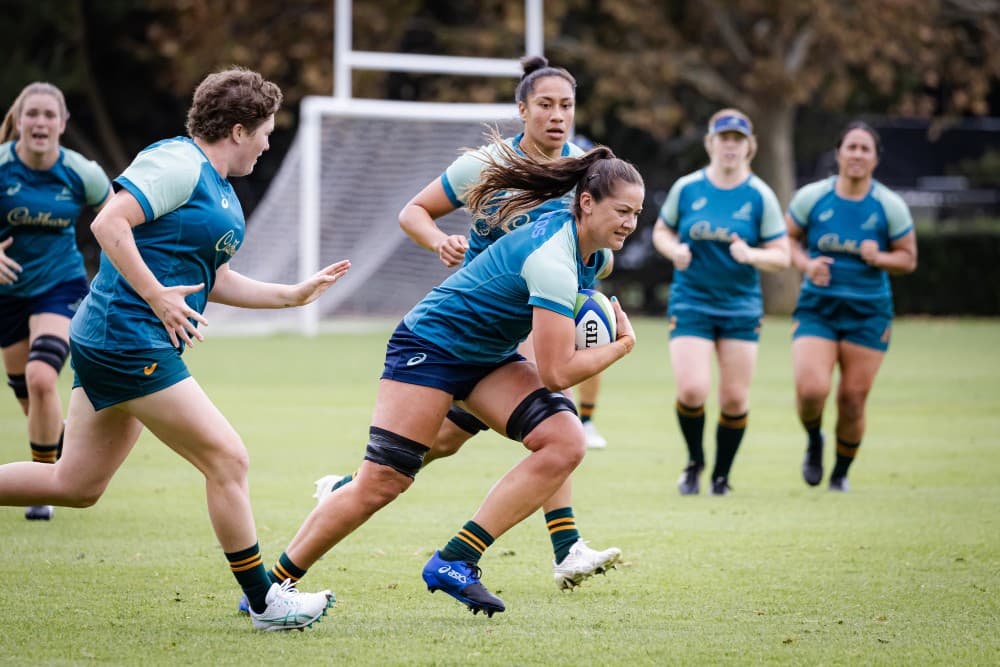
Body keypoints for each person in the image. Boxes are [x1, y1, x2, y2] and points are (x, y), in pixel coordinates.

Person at [0, 67, 348, 631]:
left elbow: (219, 279)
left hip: (118, 336)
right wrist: (157, 295)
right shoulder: (178, 162)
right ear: (238, 130)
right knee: (228, 458)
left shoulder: (219, 187)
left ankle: (265, 601)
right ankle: (266, 601)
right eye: (265, 131)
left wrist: (291, 295)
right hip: (125, 335)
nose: (267, 142)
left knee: (76, 485)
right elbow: (109, 224)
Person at [267, 139, 641, 618]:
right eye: (622, 211)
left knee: (564, 441)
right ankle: (270, 588)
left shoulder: (587, 251)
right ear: (586, 203)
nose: (630, 223)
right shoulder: (553, 261)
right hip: (431, 344)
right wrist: (620, 346)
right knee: (383, 481)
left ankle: (456, 559)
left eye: (637, 212)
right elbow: (555, 373)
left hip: (487, 356)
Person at [310, 56, 621, 593]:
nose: (557, 116)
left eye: (566, 105)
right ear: (522, 109)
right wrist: (439, 240)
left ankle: (565, 547)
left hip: (528, 316)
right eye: (544, 105)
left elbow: (590, 241)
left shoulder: (584, 175)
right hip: (472, 318)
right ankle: (349, 488)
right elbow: (414, 211)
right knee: (510, 424)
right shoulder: (487, 165)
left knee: (519, 427)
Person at [652, 109, 789, 496]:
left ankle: (721, 477)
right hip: (691, 301)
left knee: (733, 398)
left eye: (738, 139)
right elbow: (662, 230)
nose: (731, 145)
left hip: (740, 306)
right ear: (711, 143)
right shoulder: (688, 188)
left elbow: (782, 256)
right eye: (724, 138)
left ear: (750, 146)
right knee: (693, 390)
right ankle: (695, 462)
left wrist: (753, 255)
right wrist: (673, 249)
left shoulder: (760, 195)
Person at [0, 82, 112, 521]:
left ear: (62, 124)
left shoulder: (83, 172)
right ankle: (55, 441)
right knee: (28, 394)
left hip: (61, 285)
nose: (41, 123)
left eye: (50, 115)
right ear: (21, 120)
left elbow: (119, 221)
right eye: (33, 114)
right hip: (7, 294)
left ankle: (43, 483)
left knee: (43, 378)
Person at [787, 121, 917, 492]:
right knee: (812, 390)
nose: (857, 155)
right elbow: (788, 241)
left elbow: (908, 259)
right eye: (852, 147)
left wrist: (881, 258)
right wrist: (807, 264)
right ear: (839, 153)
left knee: (853, 400)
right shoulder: (812, 197)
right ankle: (814, 442)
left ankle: (841, 474)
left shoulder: (888, 205)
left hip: (868, 313)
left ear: (875, 159)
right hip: (818, 309)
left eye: (865, 149)